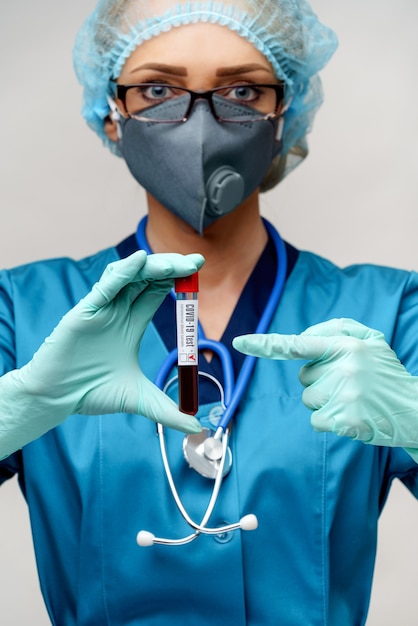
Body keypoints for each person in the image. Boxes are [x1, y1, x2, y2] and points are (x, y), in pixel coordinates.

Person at [1, 0, 418, 624]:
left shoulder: (389, 313)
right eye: (158, 89)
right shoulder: (21, 311)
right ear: (113, 115)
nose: (200, 123)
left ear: (284, 113)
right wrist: (18, 407)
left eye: (243, 89)